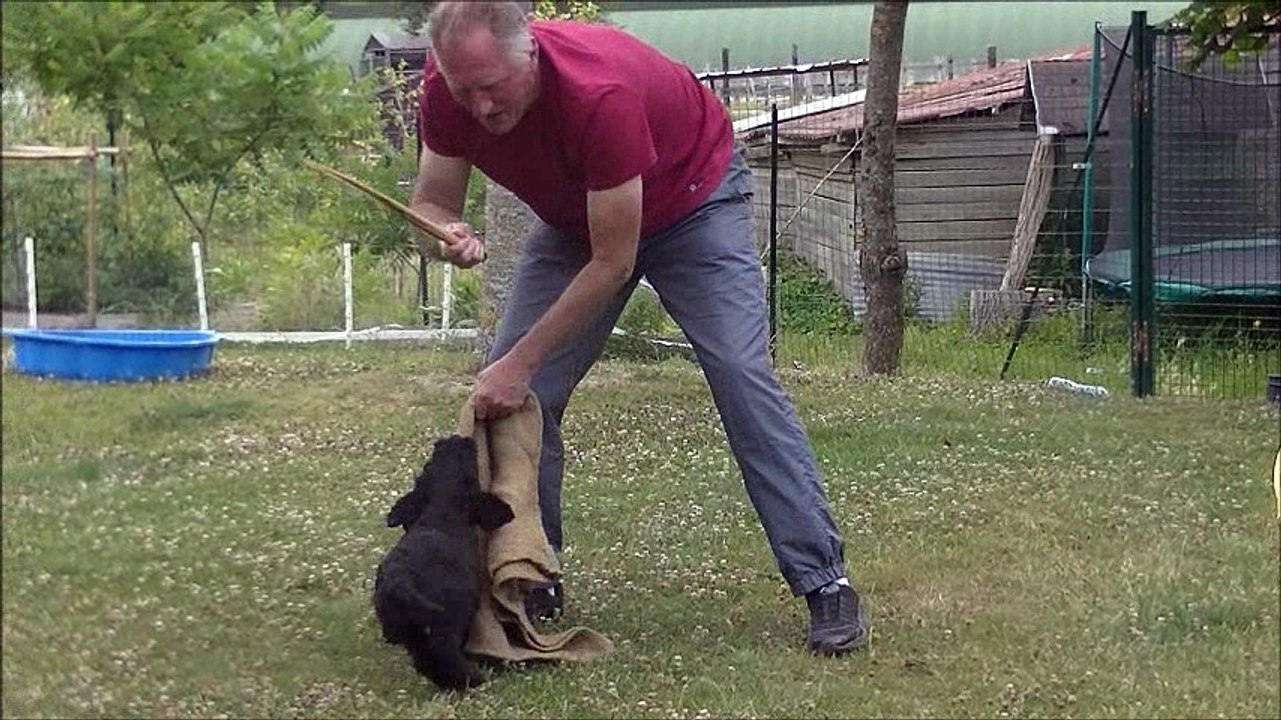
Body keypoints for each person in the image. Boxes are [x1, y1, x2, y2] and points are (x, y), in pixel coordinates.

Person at [408, 0, 867, 655]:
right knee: (518, 402)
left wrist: (519, 361)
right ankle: (530, 572)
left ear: (529, 53)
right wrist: (442, 235)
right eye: (463, 90)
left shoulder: (599, 93)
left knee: (739, 375)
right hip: (578, 221)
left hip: (691, 203)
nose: (479, 107)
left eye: (491, 88)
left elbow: (612, 263)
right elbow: (430, 203)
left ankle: (824, 580)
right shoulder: (447, 89)